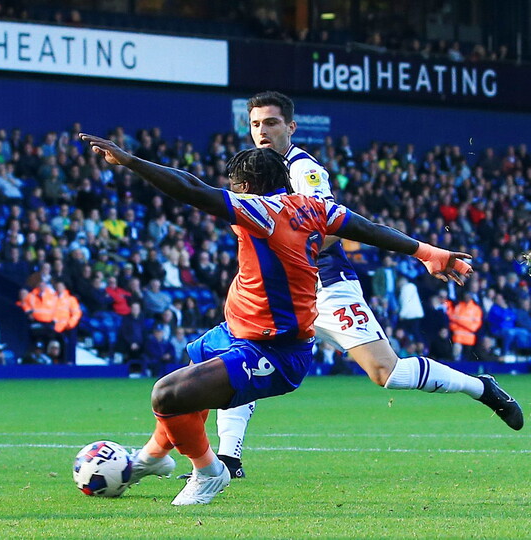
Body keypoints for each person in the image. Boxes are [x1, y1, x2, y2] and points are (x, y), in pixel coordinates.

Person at [81, 134, 509, 507]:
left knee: (168, 394)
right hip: (238, 332)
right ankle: (154, 460)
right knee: (185, 386)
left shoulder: (261, 213)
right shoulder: (313, 209)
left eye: (233, 188)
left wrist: (132, 161)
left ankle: (210, 472)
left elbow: (192, 189)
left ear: (245, 188)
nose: (229, 194)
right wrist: (428, 252)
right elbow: (370, 228)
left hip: (275, 350)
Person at [213, 91, 524, 480]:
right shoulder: (255, 173)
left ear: (290, 127)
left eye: (272, 122)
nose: (262, 131)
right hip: (277, 291)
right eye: (256, 124)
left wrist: (283, 240)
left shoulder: (303, 170)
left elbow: (325, 228)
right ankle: (227, 460)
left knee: (386, 372)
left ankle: (480, 387)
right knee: (236, 357)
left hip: (323, 284)